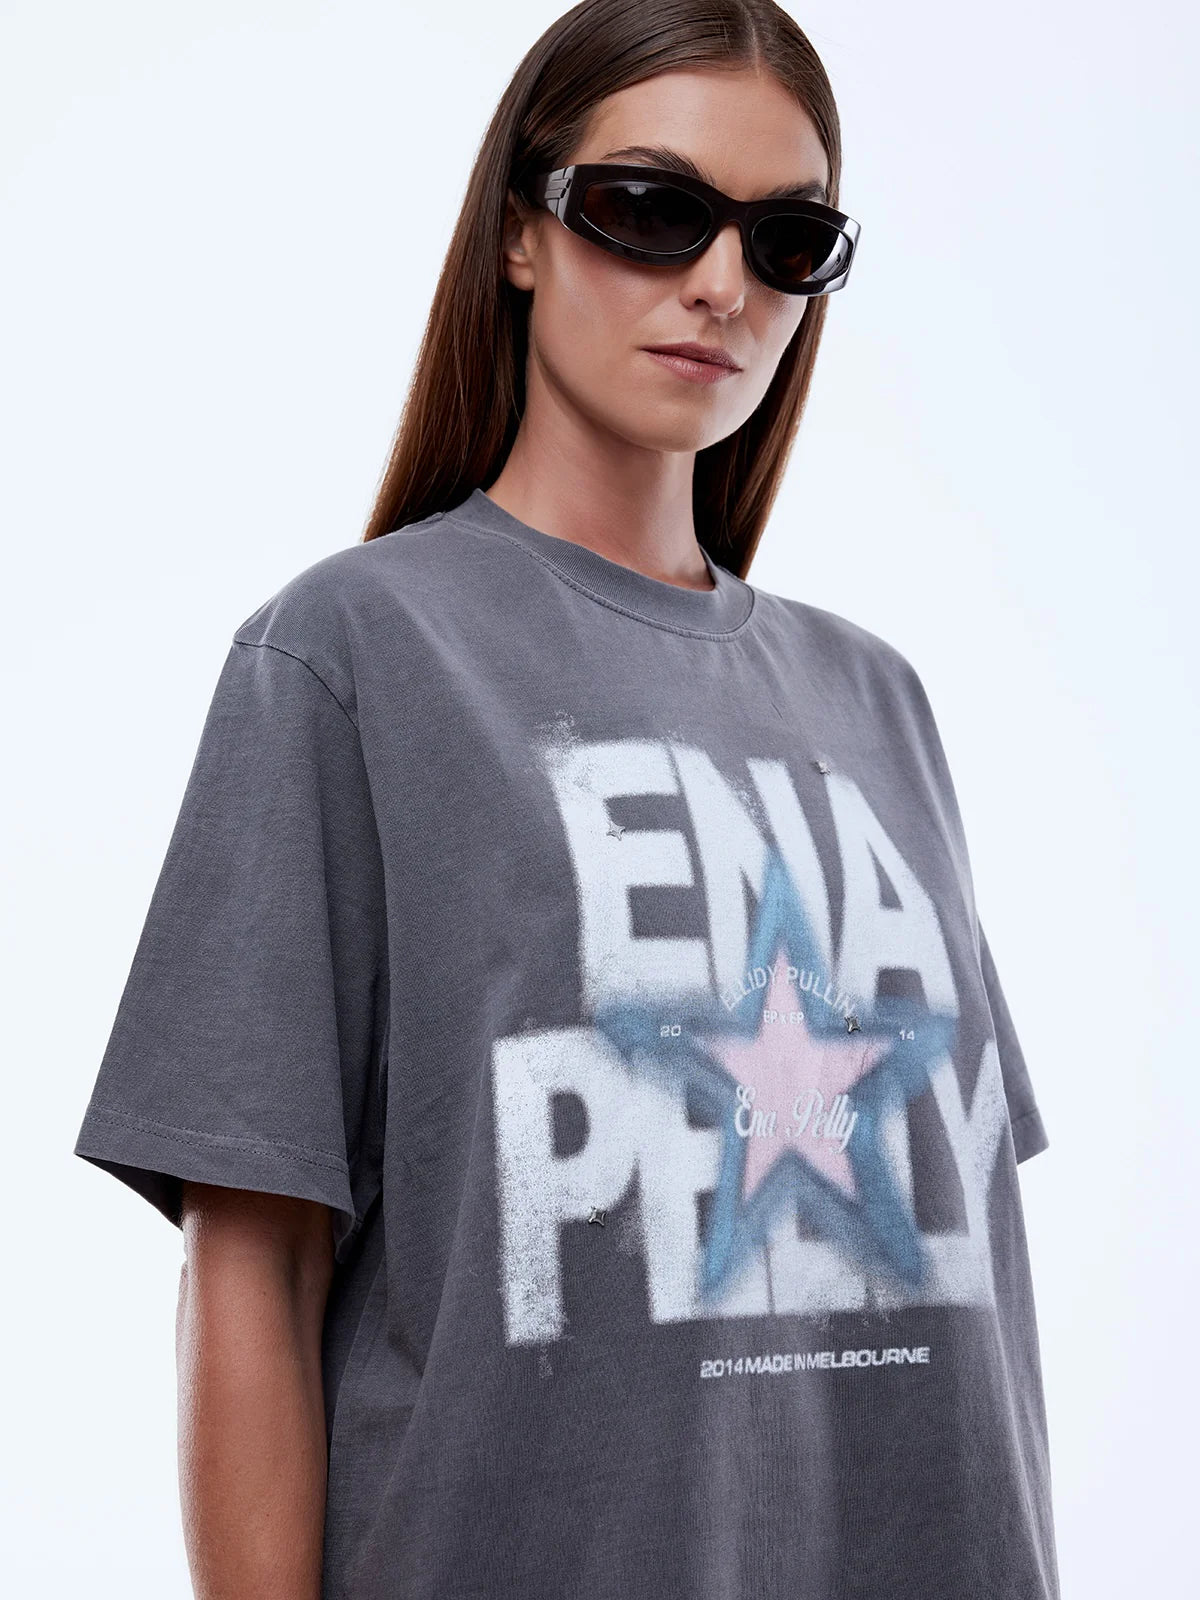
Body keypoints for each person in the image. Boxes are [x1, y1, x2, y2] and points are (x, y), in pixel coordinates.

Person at [72, 2, 1060, 1596]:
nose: (723, 284)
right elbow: (254, 1262)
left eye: (789, 241)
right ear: (520, 234)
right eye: (651, 209)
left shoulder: (878, 699)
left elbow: (962, 1263)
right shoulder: (353, 654)